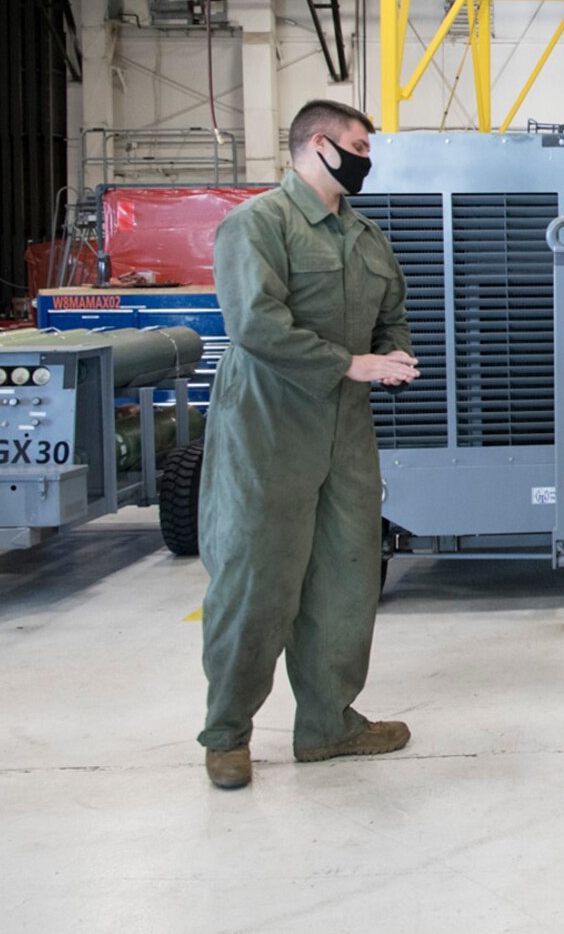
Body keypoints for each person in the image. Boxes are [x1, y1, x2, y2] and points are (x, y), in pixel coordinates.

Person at [198, 100, 420, 790]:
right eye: (357, 145)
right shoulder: (257, 225)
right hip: (268, 427)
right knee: (257, 579)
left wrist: (395, 356)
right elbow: (256, 326)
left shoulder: (366, 236)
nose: (365, 158)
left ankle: (328, 723)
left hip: (346, 430)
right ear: (319, 145)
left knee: (346, 577)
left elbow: (394, 317)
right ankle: (228, 732)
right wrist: (352, 363)